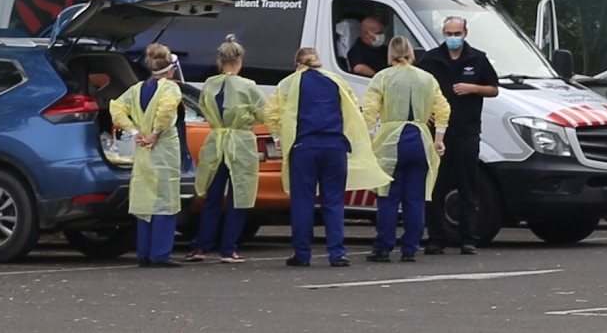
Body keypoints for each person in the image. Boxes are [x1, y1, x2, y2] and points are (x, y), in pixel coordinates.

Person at [265, 47, 391, 267]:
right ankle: (337, 253)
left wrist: (278, 136)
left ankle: (302, 254)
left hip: (304, 147)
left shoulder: (288, 83)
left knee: (303, 202)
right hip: (335, 147)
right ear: (318, 62)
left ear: (298, 64)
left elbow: (271, 112)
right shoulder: (337, 81)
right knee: (333, 202)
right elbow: (352, 108)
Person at [362, 36, 450, 263]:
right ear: (412, 53)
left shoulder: (382, 77)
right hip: (420, 138)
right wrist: (439, 138)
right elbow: (443, 109)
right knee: (415, 198)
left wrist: (370, 138)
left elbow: (369, 111)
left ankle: (383, 247)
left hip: (392, 140)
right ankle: (410, 247)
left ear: (390, 54)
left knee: (388, 197)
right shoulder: (426, 78)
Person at [417, 16, 498, 255]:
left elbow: (493, 89)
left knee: (468, 186)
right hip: (438, 133)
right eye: (449, 33)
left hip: (467, 130)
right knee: (436, 186)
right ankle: (435, 239)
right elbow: (417, 88)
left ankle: (468, 239)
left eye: (457, 33)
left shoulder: (478, 59)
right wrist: (425, 111)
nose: (453, 38)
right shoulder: (431, 59)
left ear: (465, 33)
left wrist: (473, 88)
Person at [185, 34, 266, 264]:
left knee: (212, 197)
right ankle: (229, 248)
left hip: (216, 142)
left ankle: (201, 246)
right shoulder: (247, 86)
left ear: (220, 60)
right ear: (239, 59)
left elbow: (202, 108)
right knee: (239, 197)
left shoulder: (210, 84)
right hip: (240, 143)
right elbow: (264, 114)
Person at [110, 43, 184, 268]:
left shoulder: (137, 88)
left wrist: (134, 132)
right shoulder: (171, 88)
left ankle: (144, 253)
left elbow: (116, 107)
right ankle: (160, 254)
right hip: (163, 149)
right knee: (165, 201)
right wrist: (155, 133)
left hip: (143, 151)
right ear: (170, 69)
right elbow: (167, 109)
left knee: (145, 201)